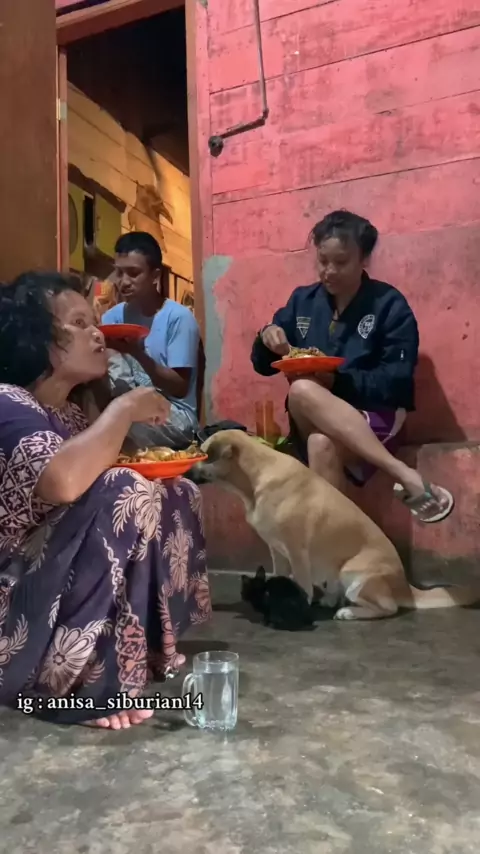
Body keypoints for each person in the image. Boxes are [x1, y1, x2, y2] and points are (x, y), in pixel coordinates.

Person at [0, 272, 211, 729]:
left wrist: (116, 410)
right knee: (124, 489)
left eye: (93, 321)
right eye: (79, 323)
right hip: (11, 606)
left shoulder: (69, 413)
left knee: (174, 491)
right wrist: (124, 408)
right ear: (38, 338)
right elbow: (63, 483)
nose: (97, 333)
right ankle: (62, 684)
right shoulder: (7, 403)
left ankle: (133, 658)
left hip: (43, 582)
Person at [251, 209, 454, 524]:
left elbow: (396, 383)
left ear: (364, 259)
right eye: (322, 261)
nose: (329, 271)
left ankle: (336, 553)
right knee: (303, 394)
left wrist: (337, 381)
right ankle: (403, 474)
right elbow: (263, 366)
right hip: (310, 414)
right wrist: (266, 337)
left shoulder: (389, 305)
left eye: (341, 262)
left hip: (377, 415)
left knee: (319, 437)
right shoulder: (302, 301)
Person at [101, 232, 201, 451]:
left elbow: (179, 388)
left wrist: (137, 353)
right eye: (119, 272)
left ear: (155, 275)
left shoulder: (178, 318)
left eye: (133, 273)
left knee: (117, 422)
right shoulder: (111, 318)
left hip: (175, 413)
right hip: (126, 404)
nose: (123, 282)